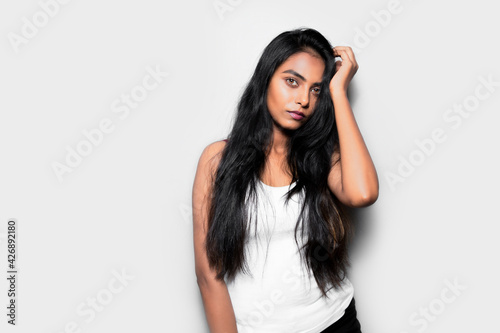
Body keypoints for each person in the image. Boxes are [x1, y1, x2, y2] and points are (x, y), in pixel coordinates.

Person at [192, 27, 379, 333]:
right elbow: (208, 275)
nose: (304, 99)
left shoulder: (321, 154)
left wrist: (338, 93)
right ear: (265, 79)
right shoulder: (217, 160)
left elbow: (363, 194)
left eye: (316, 89)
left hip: (336, 323)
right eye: (292, 81)